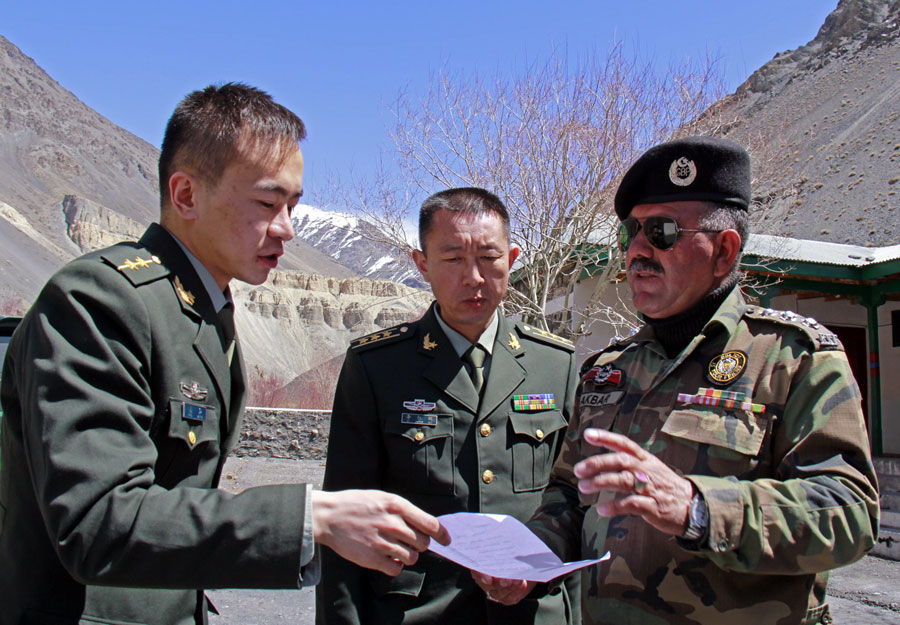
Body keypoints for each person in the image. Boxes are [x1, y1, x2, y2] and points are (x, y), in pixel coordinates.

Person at [0, 83, 448, 625]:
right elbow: (98, 522)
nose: (285, 229)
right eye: (266, 203)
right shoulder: (101, 303)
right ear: (186, 195)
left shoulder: (202, 308)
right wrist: (311, 518)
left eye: (293, 206)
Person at [473, 136, 880, 624]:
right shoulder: (607, 370)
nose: (637, 251)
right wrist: (534, 555)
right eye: (630, 233)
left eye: (662, 232)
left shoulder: (793, 360)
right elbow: (569, 491)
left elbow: (849, 513)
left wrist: (699, 509)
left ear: (724, 251)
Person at [316, 187, 580, 625]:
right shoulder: (377, 367)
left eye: (489, 258)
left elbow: (571, 498)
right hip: (417, 611)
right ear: (422, 264)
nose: (474, 277)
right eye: (454, 259)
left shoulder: (555, 363)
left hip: (534, 612)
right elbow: (345, 516)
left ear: (512, 259)